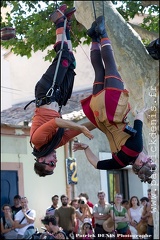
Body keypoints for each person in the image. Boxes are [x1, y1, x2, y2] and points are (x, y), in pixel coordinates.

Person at [73, 15, 156, 184]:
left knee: (110, 65)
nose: (148, 155)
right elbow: (96, 164)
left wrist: (145, 108)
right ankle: (94, 38)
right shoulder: (120, 162)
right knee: (99, 72)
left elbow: (139, 119)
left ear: (141, 162)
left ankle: (103, 33)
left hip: (113, 108)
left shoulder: (137, 147)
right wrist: (86, 148)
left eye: (148, 159)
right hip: (99, 113)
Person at [29, 4, 94, 177]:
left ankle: (59, 22)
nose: (55, 161)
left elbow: (57, 123)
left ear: (41, 160)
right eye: (55, 165)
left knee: (64, 57)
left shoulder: (38, 141)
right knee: (71, 64)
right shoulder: (56, 143)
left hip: (46, 93)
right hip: (57, 97)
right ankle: (66, 26)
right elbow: (79, 128)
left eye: (51, 163)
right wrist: (101, 122)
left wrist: (79, 128)